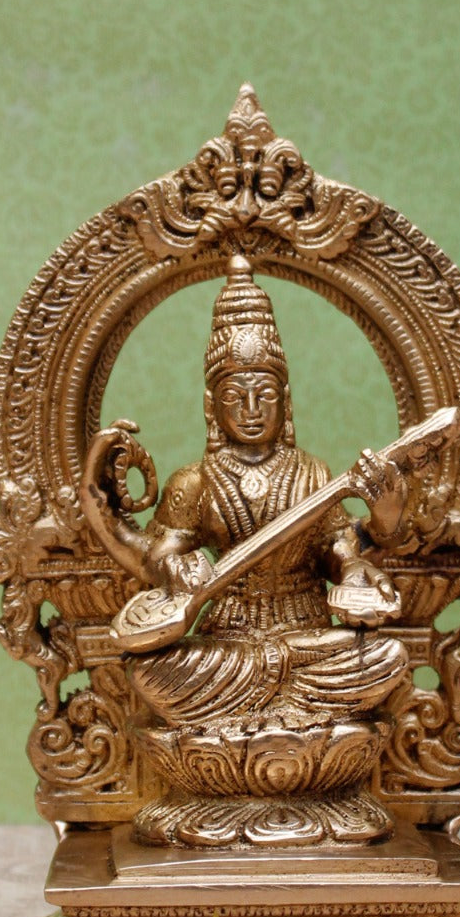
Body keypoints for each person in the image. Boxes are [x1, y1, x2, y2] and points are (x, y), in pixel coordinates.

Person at [106, 255, 410, 732]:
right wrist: (175, 567)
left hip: (308, 635)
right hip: (226, 642)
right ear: (212, 406)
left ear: (285, 400)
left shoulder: (313, 472)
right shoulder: (195, 481)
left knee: (387, 656)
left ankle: (270, 708)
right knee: (150, 672)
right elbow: (159, 557)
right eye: (234, 397)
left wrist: (370, 542)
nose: (251, 409)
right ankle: (290, 712)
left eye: (265, 395)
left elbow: (337, 551)